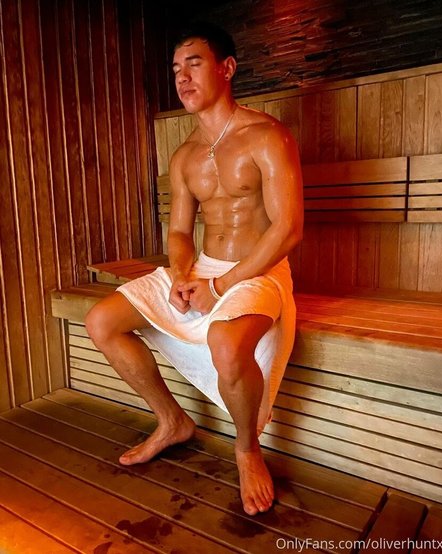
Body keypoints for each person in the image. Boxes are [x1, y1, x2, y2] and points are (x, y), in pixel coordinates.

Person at [85, 22, 303, 516]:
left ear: (227, 68)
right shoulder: (185, 155)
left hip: (259, 270)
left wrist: (221, 285)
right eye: (176, 68)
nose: (182, 77)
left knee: (225, 342)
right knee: (102, 321)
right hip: (202, 268)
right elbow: (181, 233)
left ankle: (246, 449)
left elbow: (288, 229)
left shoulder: (267, 136)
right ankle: (171, 421)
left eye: (194, 64)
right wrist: (184, 274)